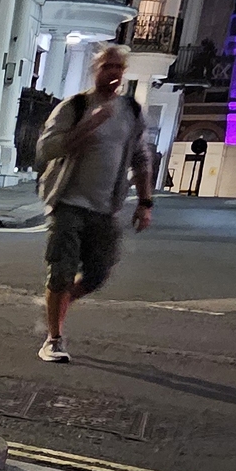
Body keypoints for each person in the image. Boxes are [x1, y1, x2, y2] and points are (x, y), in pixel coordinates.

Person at [31, 45, 155, 362]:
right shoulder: (76, 106)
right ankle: (53, 339)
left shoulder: (131, 112)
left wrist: (145, 202)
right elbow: (46, 149)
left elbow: (141, 158)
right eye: (106, 66)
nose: (112, 73)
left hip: (105, 208)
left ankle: (58, 303)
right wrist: (87, 127)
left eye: (117, 67)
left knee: (98, 274)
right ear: (95, 69)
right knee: (60, 271)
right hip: (68, 202)